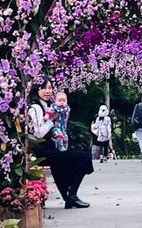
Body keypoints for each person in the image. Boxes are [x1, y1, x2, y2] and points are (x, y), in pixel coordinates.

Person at [28, 79, 93, 209]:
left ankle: (69, 197)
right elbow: (37, 134)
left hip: (52, 148)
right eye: (44, 88)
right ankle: (71, 196)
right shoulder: (35, 108)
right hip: (41, 150)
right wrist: (51, 120)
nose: (48, 91)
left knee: (64, 161)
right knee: (83, 157)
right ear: (36, 89)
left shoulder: (51, 105)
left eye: (50, 88)